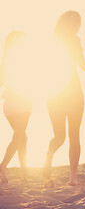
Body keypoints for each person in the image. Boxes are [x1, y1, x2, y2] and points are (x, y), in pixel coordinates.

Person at [43, 11, 85, 186]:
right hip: (72, 93)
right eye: (77, 23)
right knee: (74, 136)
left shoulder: (50, 42)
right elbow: (82, 65)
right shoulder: (74, 41)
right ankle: (72, 178)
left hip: (54, 93)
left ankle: (49, 156)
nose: (78, 27)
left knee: (59, 137)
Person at [0, 31, 32, 183]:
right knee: (18, 136)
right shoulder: (25, 59)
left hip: (8, 105)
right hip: (22, 102)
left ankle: (24, 172)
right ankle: (3, 165)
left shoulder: (5, 61)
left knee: (22, 137)